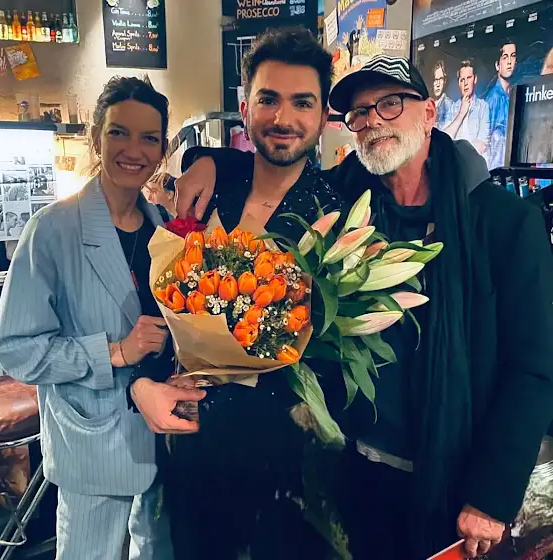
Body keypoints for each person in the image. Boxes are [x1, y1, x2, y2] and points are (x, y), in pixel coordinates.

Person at [174, 54, 553, 560]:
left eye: (390, 104)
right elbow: (278, 161)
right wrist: (208, 160)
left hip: (451, 481)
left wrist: (491, 495)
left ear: (429, 113)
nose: (372, 119)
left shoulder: (504, 223)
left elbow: (534, 370)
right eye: (359, 112)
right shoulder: (343, 200)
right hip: (355, 472)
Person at [137, 27, 343, 560]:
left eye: (303, 102)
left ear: (324, 116)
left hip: (290, 483)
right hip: (192, 460)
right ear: (245, 108)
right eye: (268, 99)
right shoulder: (207, 199)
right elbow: (154, 311)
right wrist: (142, 385)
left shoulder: (339, 217)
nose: (283, 117)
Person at [0, 76, 206, 559]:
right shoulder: (52, 230)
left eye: (149, 137)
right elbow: (17, 350)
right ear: (95, 137)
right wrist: (113, 352)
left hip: (163, 438)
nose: (134, 150)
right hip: (94, 443)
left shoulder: (164, 230)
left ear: (163, 150)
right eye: (118, 133)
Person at [445, 59, 490, 162]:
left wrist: (459, 156)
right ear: (459, 83)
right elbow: (445, 139)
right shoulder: (452, 108)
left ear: (475, 79)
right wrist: (461, 113)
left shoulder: (483, 107)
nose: (465, 83)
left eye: (469, 78)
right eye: (462, 80)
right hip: (455, 166)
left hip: (475, 165)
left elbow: (482, 143)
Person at [485, 42, 517, 170]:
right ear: (497, 65)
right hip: (496, 171)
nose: (509, 62)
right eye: (505, 57)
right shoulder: (493, 99)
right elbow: (485, 142)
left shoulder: (513, 95)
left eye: (512, 56)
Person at [432, 60, 454, 130]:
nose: (438, 84)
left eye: (441, 79)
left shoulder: (449, 105)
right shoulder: (426, 103)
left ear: (445, 81)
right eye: (435, 79)